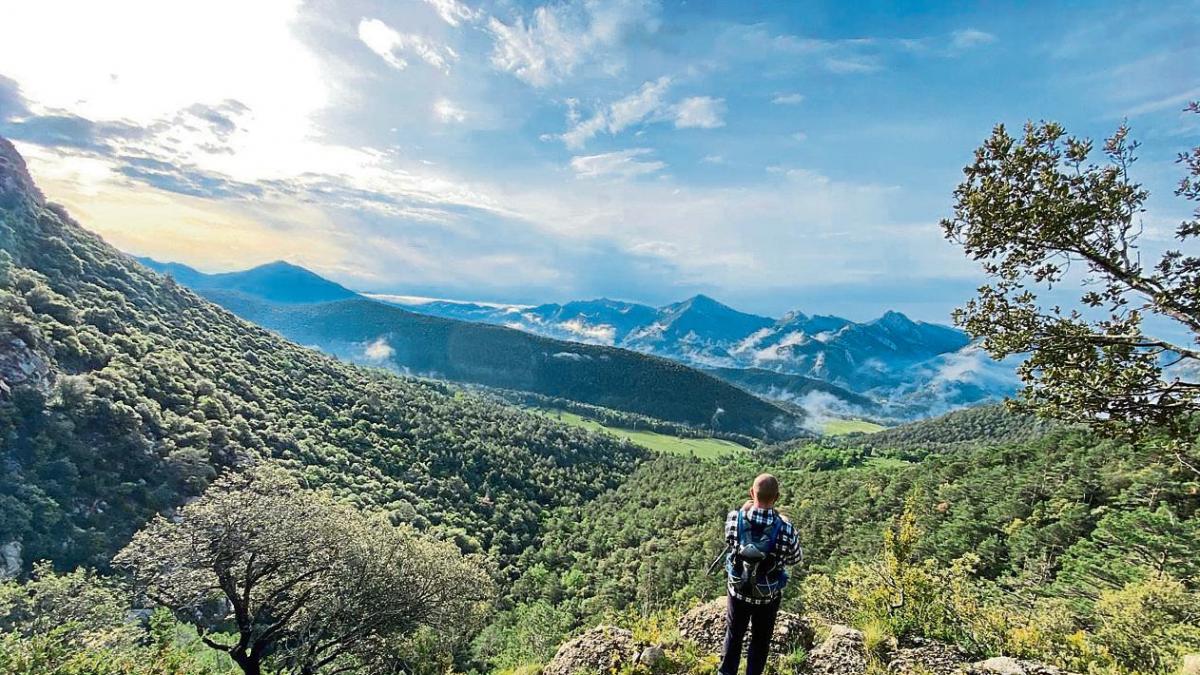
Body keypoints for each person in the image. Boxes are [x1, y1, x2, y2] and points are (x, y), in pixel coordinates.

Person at [719, 473, 803, 675]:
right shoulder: (786, 528)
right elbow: (795, 559)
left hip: (738, 591)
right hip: (767, 597)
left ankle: (726, 672)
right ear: (777, 497)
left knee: (734, 634)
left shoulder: (734, 518)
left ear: (751, 493)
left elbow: (730, 542)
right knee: (760, 640)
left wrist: (745, 509)